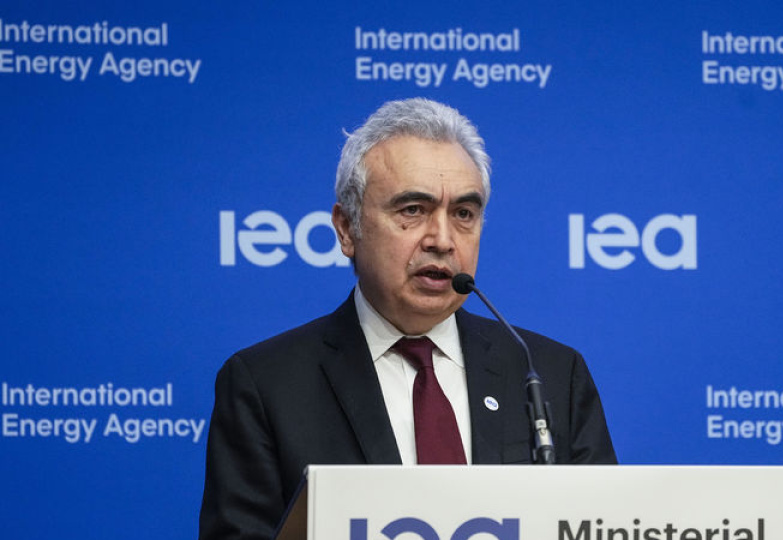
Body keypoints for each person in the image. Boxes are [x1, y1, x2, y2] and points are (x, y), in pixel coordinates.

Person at [198, 98, 616, 540]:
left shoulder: (549, 373)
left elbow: (606, 524)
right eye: (412, 210)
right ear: (347, 228)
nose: (442, 240)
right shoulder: (266, 385)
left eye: (464, 214)